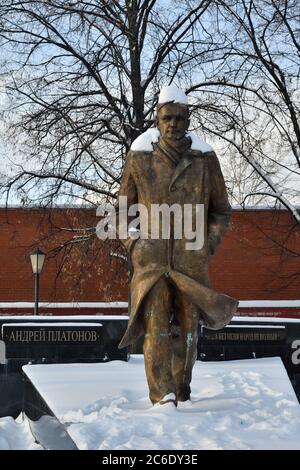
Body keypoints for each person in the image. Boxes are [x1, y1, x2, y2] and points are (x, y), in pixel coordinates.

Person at [116, 85, 238, 406]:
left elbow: (221, 211)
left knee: (187, 331)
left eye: (179, 117)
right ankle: (162, 398)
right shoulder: (140, 155)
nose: (173, 124)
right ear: (158, 120)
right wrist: (134, 244)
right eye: (166, 117)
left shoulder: (204, 157)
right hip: (152, 263)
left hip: (190, 263)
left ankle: (182, 392)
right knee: (155, 328)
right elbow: (121, 211)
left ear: (188, 119)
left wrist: (206, 245)